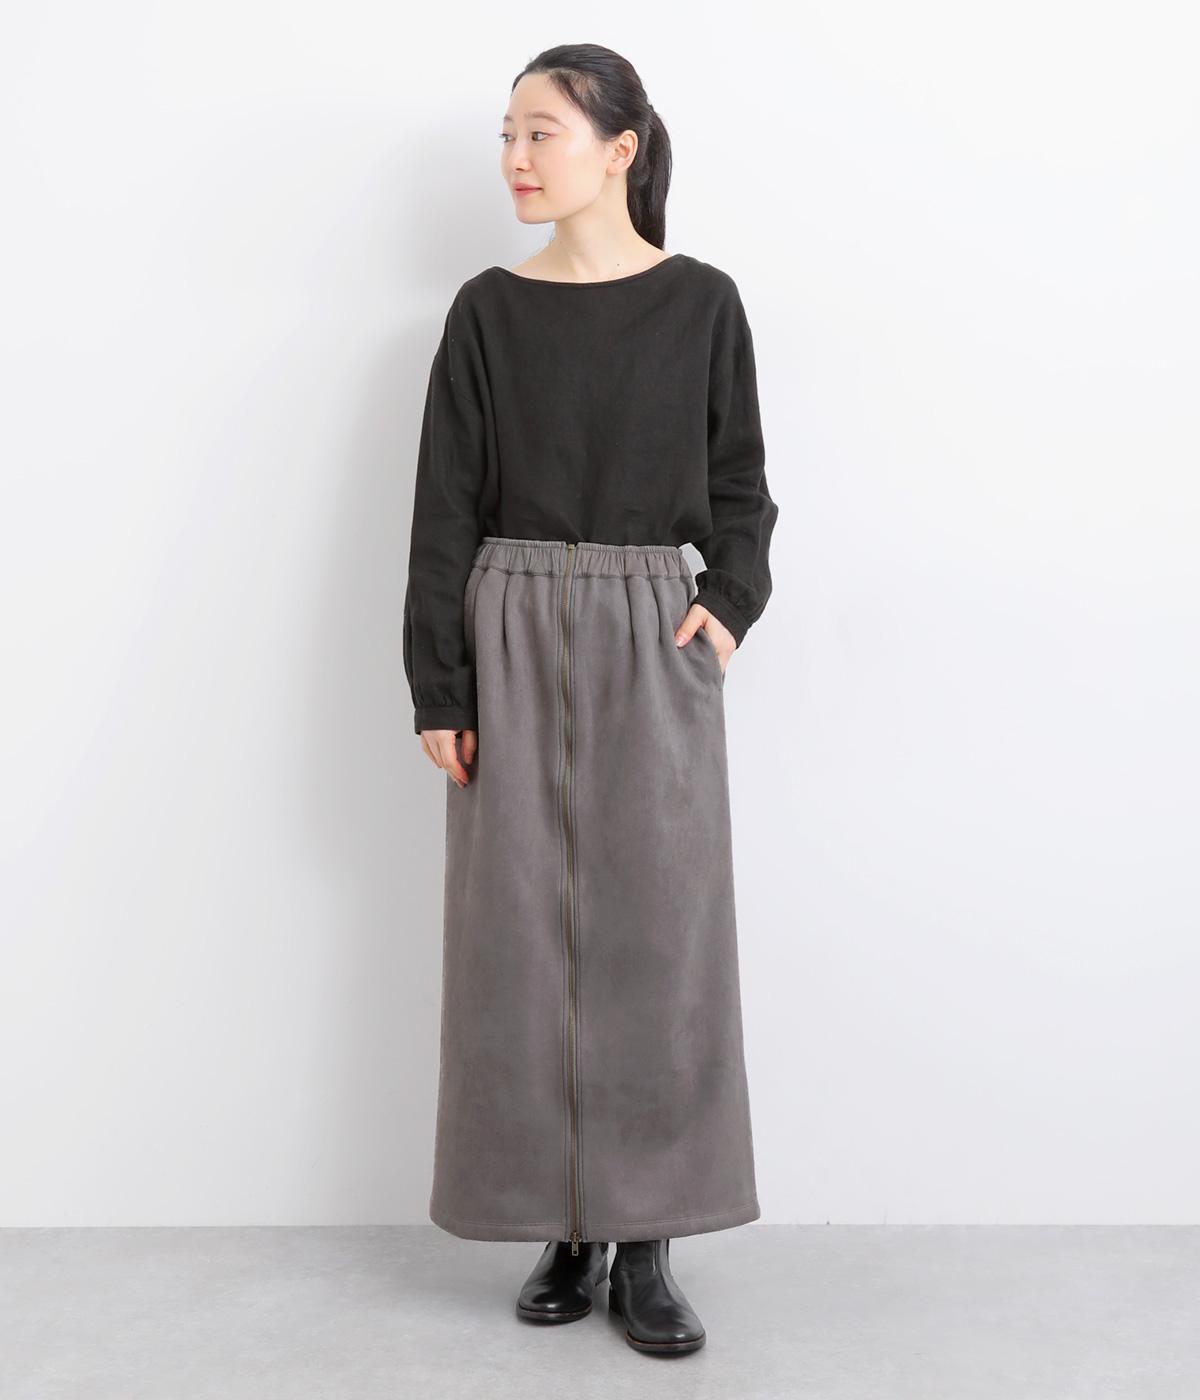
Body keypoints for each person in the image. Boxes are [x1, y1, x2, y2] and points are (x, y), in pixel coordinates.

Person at [402, 44, 779, 1357]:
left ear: (620, 149)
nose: (514, 157)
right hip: (506, 623)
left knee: (661, 939)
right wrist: (438, 685)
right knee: (516, 939)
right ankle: (562, 1226)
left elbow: (741, 487)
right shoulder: (486, 314)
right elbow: (443, 509)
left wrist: (726, 606)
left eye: (541, 132)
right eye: (506, 134)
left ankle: (648, 1236)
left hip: (649, 628)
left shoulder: (703, 304)